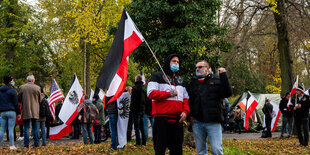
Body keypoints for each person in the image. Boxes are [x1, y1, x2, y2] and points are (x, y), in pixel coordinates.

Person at [147, 53, 190, 155]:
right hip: (161, 119)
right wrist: (169, 94)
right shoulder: (156, 76)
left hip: (177, 120)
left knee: (177, 150)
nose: (176, 63)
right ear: (168, 63)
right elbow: (150, 93)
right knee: (160, 149)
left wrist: (185, 111)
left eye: (178, 62)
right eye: (174, 61)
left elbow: (186, 99)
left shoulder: (180, 80)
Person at [188, 60, 232, 155]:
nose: (197, 69)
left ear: (207, 69)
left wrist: (223, 75)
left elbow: (227, 93)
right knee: (200, 151)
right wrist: (190, 117)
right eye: (196, 67)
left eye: (200, 67)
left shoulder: (216, 81)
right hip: (197, 123)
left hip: (213, 122)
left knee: (217, 150)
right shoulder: (193, 83)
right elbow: (190, 101)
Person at [18, 75, 42, 148]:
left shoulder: (22, 87)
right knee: (35, 128)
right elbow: (40, 100)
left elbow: (18, 99)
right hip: (35, 110)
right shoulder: (37, 88)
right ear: (33, 80)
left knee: (26, 128)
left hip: (26, 110)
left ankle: (26, 144)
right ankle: (36, 143)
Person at [0, 76, 21, 150]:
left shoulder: (0, 90)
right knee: (11, 129)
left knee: (2, 129)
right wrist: (19, 113)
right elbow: (16, 103)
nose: (13, 81)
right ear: (9, 82)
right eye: (12, 80)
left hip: (2, 112)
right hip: (11, 111)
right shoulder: (12, 91)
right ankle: (11, 145)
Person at [131, 75, 147, 146]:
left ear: (136, 80)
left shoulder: (134, 89)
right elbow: (146, 99)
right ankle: (144, 142)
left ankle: (138, 142)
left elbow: (133, 100)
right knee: (142, 126)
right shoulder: (144, 88)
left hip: (136, 110)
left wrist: (131, 108)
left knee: (136, 127)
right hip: (142, 109)